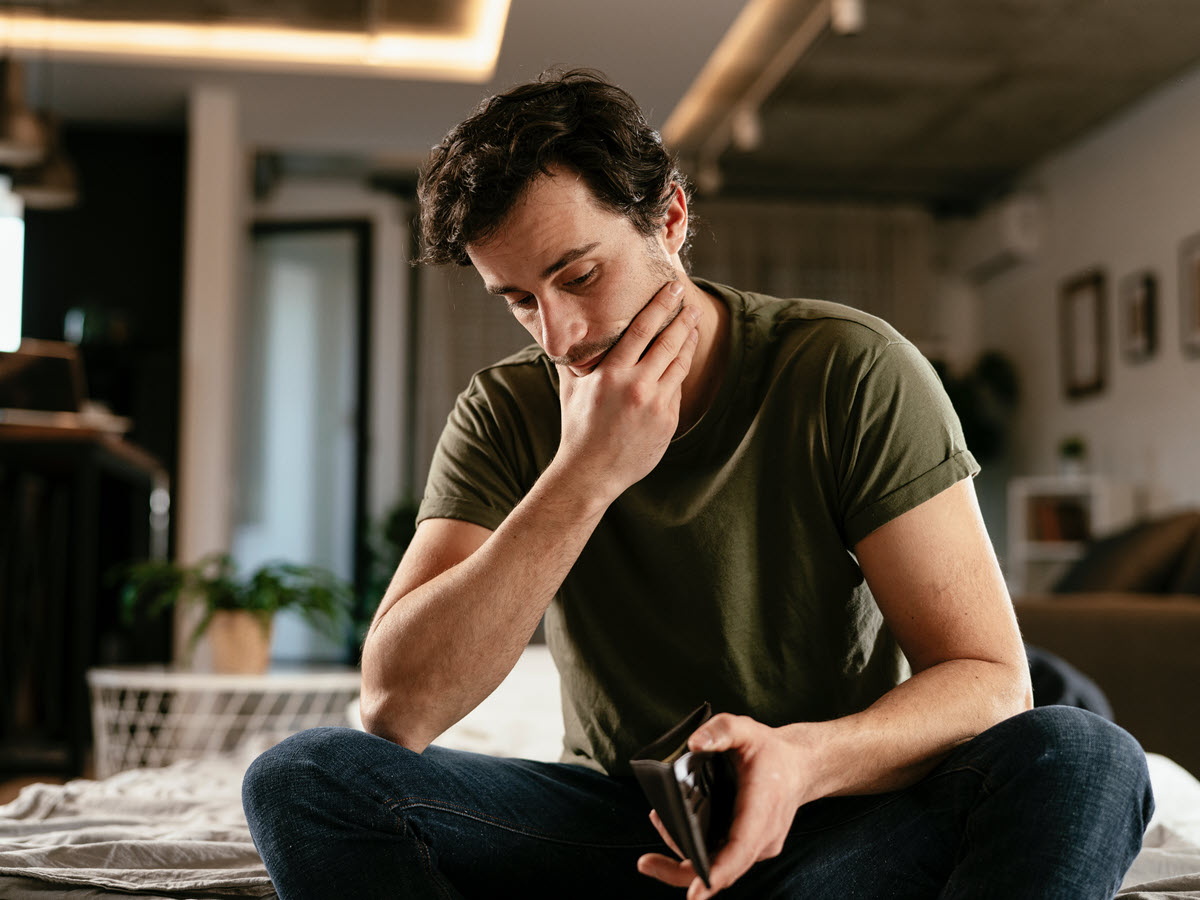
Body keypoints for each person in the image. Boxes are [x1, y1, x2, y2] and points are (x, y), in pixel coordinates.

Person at [243, 70, 1153, 900]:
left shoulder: (848, 369)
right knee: (307, 779)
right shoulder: (508, 409)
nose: (557, 335)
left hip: (835, 815)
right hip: (619, 828)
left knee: (1084, 754)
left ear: (670, 219)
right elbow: (397, 708)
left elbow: (991, 683)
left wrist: (800, 762)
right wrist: (584, 474)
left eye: (579, 275)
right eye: (519, 300)